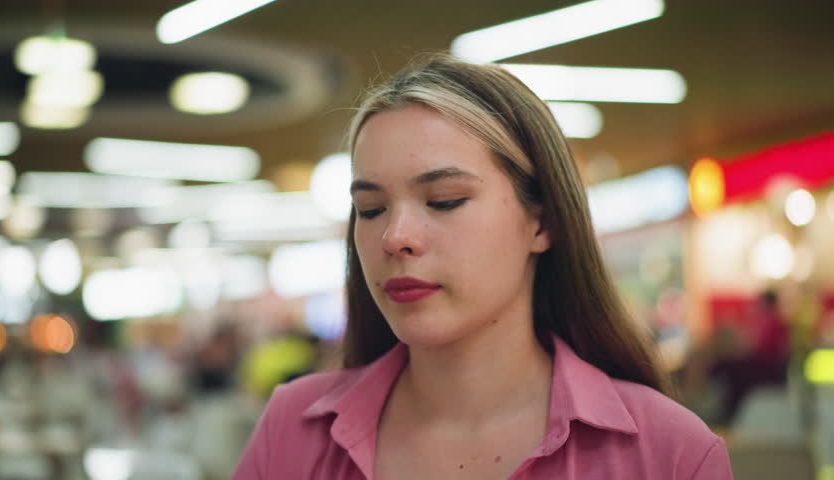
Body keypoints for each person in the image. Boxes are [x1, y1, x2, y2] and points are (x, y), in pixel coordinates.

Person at [233, 54, 732, 479]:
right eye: (371, 209)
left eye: (445, 201)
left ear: (542, 223)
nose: (396, 237)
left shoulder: (669, 454)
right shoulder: (292, 433)